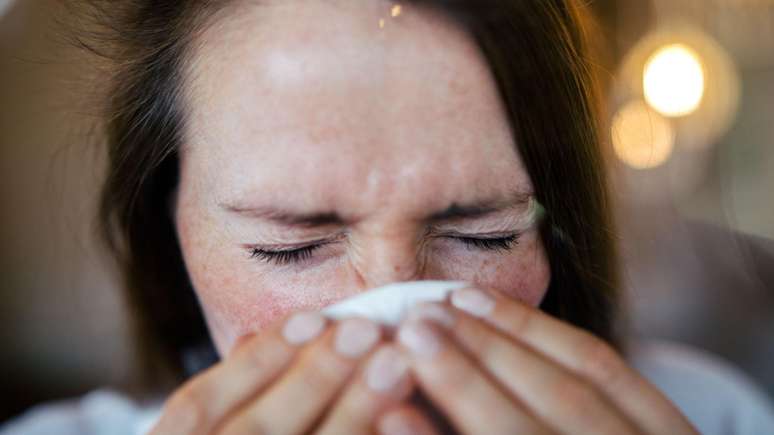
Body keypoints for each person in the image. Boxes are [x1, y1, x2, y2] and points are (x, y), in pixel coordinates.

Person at [3, 0, 773, 434]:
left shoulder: (714, 418)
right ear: (168, 225)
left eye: (486, 234)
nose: (397, 303)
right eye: (289, 245)